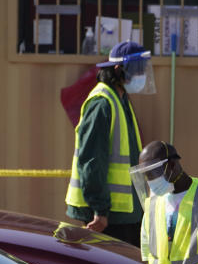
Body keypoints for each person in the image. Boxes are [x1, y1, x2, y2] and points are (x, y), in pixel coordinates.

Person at [65, 41, 154, 248]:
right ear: (118, 70)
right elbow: (92, 160)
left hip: (124, 212)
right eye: (137, 69)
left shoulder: (120, 99)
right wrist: (100, 210)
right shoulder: (102, 103)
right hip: (108, 216)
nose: (141, 74)